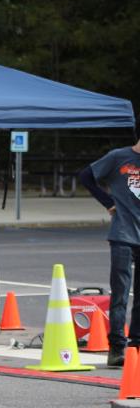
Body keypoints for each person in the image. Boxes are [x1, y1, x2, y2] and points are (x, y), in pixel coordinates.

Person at [78, 138, 140, 367]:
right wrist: (107, 201)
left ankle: (136, 345)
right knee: (120, 294)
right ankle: (116, 348)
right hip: (122, 235)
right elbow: (86, 176)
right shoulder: (118, 157)